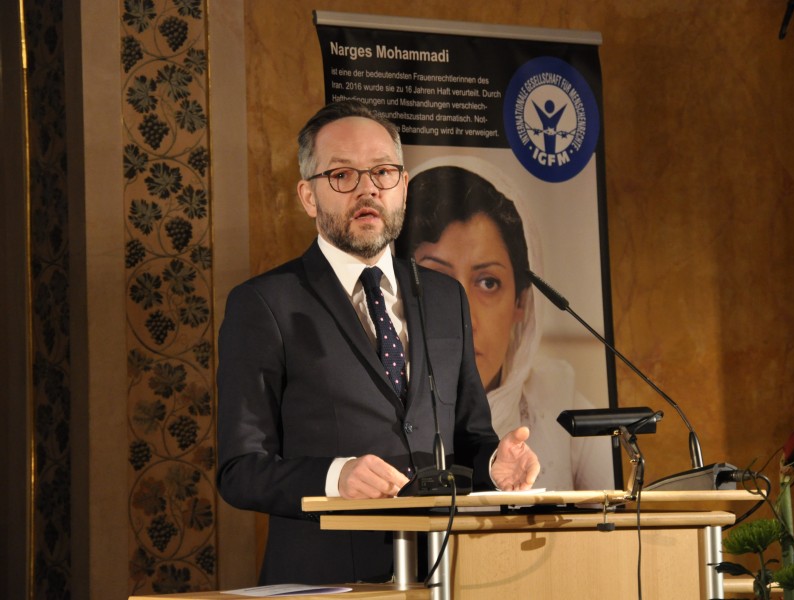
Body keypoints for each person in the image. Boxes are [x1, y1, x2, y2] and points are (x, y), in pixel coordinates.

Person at [215, 101, 540, 586]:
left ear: (402, 188)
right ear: (308, 196)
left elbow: (469, 435)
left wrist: (495, 465)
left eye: (383, 172)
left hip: (443, 577)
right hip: (324, 584)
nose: (368, 188)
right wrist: (334, 477)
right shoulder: (264, 304)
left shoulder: (444, 297)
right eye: (343, 175)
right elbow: (240, 471)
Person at [395, 165, 614, 491]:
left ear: (521, 303)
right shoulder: (379, 408)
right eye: (437, 281)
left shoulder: (569, 414)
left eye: (488, 282)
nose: (464, 315)